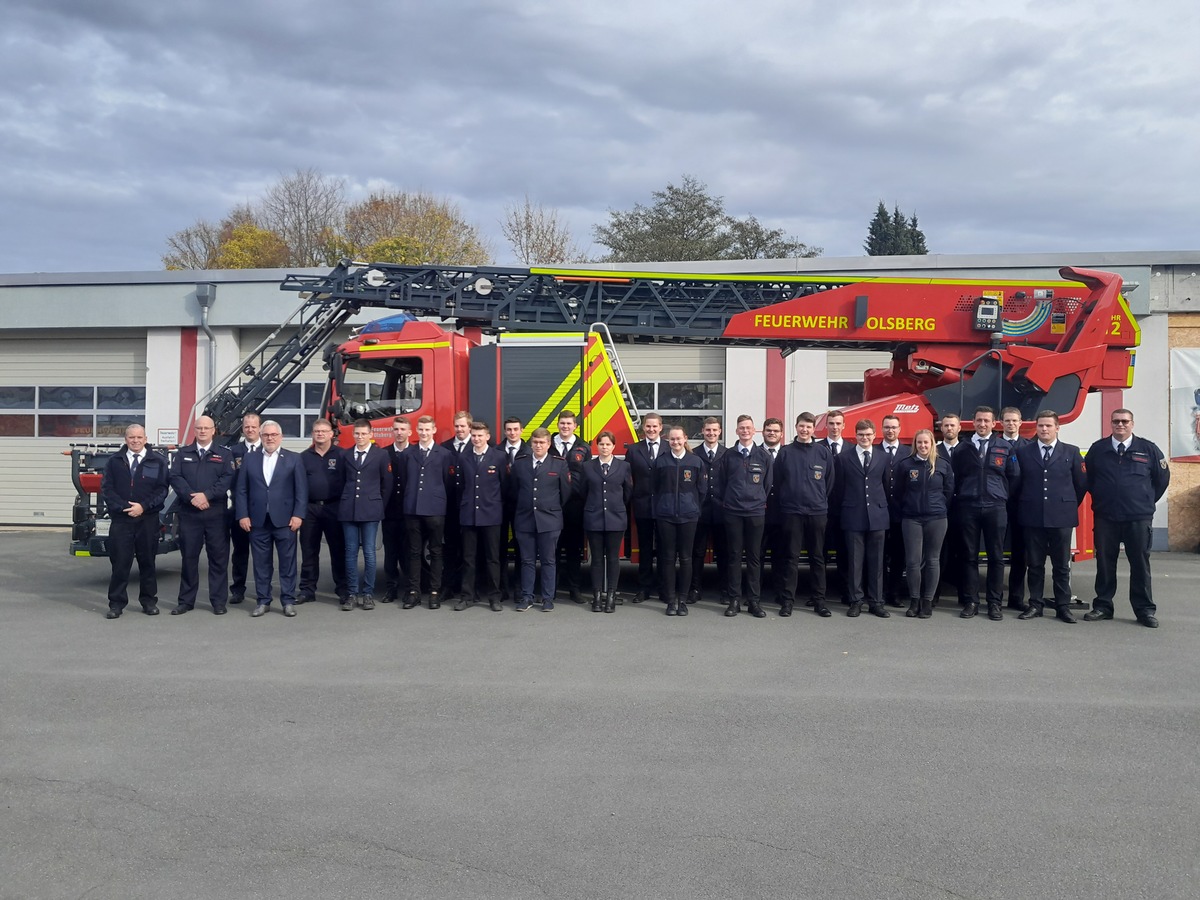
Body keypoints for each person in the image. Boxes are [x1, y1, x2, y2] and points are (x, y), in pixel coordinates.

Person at [1083, 408, 1170, 627]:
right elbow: (1090, 480)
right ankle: (1102, 606)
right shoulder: (1098, 449)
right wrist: (1105, 498)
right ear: (1111, 424)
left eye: (1124, 421)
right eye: (1116, 422)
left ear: (1132, 424)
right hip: (1106, 517)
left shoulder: (1148, 449)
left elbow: (1161, 480)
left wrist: (1145, 501)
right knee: (1104, 563)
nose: (1120, 425)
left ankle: (1144, 610)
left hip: (1138, 518)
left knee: (1140, 564)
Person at [1015, 411, 1087, 624]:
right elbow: (1018, 484)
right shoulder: (1024, 452)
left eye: (1048, 426)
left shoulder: (1071, 452)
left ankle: (1063, 607)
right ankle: (1035, 604)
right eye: (1040, 426)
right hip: (1033, 516)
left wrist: (1065, 503)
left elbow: (1081, 484)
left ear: (1057, 428)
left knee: (1061, 565)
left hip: (1062, 517)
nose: (1044, 429)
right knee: (1035, 564)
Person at [951, 406, 1020, 621]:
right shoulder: (963, 448)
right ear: (973, 422)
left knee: (996, 557)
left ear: (994, 423)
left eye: (986, 421)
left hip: (995, 507)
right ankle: (971, 601)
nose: (982, 424)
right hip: (969, 507)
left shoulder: (1005, 447)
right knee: (969, 556)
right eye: (979, 420)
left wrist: (1002, 496)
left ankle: (994, 603)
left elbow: (1014, 476)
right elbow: (956, 476)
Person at [234, 420, 308, 617]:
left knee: (287, 563)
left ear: (280, 437)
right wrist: (242, 514)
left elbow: (301, 491)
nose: (270, 438)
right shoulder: (250, 459)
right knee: (261, 563)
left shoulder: (293, 459)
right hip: (257, 520)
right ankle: (263, 601)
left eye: (274, 435)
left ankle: (287, 601)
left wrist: (298, 515)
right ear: (261, 436)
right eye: (266, 435)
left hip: (285, 521)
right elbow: (241, 490)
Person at [100, 424, 170, 619]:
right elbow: (107, 489)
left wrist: (143, 507)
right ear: (125, 439)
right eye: (132, 437)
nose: (136, 441)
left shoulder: (158, 461)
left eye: (139, 437)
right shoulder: (114, 461)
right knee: (120, 563)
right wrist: (124, 507)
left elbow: (162, 489)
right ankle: (116, 603)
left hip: (147, 519)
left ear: (146, 439)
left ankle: (148, 602)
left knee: (147, 562)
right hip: (121, 520)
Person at [772, 412, 836, 617]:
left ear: (813, 429)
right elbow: (778, 481)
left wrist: (816, 500)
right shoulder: (785, 452)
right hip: (792, 512)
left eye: (808, 427)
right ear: (796, 427)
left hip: (817, 512)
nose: (804, 430)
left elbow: (829, 482)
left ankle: (819, 601)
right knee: (791, 558)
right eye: (801, 426)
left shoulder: (823, 452)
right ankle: (787, 601)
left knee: (818, 558)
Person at [169, 415, 234, 615]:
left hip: (216, 514)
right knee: (189, 558)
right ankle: (186, 601)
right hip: (189, 514)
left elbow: (227, 479)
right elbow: (175, 477)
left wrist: (206, 495)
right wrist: (192, 498)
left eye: (207, 428)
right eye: (199, 428)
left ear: (214, 430)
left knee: (218, 559)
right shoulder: (182, 454)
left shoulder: (224, 454)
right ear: (194, 430)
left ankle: (218, 602)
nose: (203, 431)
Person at [716, 415, 773, 617]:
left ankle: (754, 601)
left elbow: (767, 485)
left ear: (754, 430)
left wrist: (757, 499)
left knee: (754, 558)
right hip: (733, 512)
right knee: (733, 557)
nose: (745, 431)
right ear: (737, 431)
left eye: (748, 427)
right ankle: (734, 600)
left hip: (756, 512)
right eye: (741, 428)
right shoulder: (728, 456)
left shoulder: (764, 456)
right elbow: (722, 484)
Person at [834, 419, 891, 618]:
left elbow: (885, 485)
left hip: (878, 515)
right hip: (852, 514)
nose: (864, 438)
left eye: (868, 434)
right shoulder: (843, 458)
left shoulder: (883, 457)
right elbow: (838, 488)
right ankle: (856, 601)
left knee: (876, 563)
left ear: (875, 435)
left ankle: (876, 602)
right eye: (861, 434)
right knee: (855, 562)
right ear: (855, 435)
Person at [510, 427, 572, 611]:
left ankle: (547, 598)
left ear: (549, 444)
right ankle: (527, 596)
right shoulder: (520, 463)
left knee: (548, 560)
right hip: (525, 519)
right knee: (527, 560)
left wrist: (551, 508)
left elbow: (566, 492)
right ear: (531, 443)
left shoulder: (559, 464)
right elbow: (514, 490)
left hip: (550, 519)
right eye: (535, 442)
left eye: (542, 442)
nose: (538, 446)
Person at [894, 429, 954, 619]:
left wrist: (938, 506)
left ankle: (927, 601)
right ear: (915, 444)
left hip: (936, 518)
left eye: (926, 443)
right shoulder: (905, 465)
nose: (923, 446)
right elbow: (898, 492)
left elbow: (949, 491)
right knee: (912, 561)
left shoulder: (943, 465)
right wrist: (909, 507)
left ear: (932, 444)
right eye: (919, 443)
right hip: (911, 518)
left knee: (933, 560)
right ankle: (914, 601)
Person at [338, 419, 393, 611]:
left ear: (371, 435)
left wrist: (378, 505)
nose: (360, 437)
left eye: (363, 434)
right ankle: (352, 593)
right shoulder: (345, 455)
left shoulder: (381, 455)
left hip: (371, 510)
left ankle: (368, 593)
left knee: (369, 552)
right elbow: (341, 482)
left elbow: (387, 484)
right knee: (351, 553)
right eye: (357, 434)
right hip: (349, 509)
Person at [401, 415, 455, 609]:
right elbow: (405, 479)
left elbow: (447, 482)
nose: (424, 433)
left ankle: (434, 592)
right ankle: (414, 592)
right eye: (421, 430)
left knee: (436, 551)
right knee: (414, 551)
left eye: (427, 429)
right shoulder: (409, 453)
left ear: (434, 430)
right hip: (413, 507)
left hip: (435, 509)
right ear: (416, 431)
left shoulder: (444, 454)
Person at [654, 424, 706, 617]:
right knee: (667, 559)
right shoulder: (661, 462)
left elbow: (702, 490)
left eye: (679, 438)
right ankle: (669, 600)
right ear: (668, 441)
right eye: (672, 439)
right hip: (666, 516)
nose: (675, 442)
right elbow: (655, 488)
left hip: (688, 517)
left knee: (685, 558)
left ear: (685, 439)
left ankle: (682, 600)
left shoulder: (695, 461)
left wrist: (693, 507)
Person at [456, 420, 507, 611]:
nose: (476, 439)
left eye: (480, 435)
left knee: (493, 558)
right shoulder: (464, 457)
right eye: (474, 435)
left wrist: (496, 507)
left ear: (488, 436)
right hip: (469, 514)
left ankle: (494, 597)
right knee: (469, 558)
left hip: (491, 514)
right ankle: (467, 596)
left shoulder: (499, 457)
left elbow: (504, 486)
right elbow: (460, 486)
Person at [579, 430, 632, 613]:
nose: (604, 447)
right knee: (596, 560)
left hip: (616, 518)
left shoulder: (623, 466)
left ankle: (611, 594)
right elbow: (583, 491)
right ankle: (596, 595)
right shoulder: (587, 466)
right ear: (597, 446)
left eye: (608, 444)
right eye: (601, 444)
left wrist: (616, 507)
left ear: (613, 446)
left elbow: (627, 492)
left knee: (613, 558)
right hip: (594, 517)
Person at [299, 418, 349, 606]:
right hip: (310, 509)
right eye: (316, 431)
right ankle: (307, 590)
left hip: (334, 508)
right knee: (309, 551)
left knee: (338, 550)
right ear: (312, 434)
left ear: (331, 434)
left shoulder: (342, 456)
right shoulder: (303, 457)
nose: (320, 434)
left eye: (323, 431)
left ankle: (343, 589)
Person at [548, 410, 590, 602]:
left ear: (575, 426)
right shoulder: (548, 445)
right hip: (552, 503)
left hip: (575, 505)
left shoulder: (584, 447)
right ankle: (552, 588)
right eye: (562, 423)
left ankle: (574, 589)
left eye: (569, 423)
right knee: (552, 548)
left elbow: (589, 476)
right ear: (558, 425)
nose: (565, 426)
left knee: (574, 549)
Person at [689, 416, 727, 604]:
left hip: (722, 511)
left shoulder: (727, 454)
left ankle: (725, 590)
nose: (711, 433)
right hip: (700, 511)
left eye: (715, 430)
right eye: (708, 430)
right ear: (702, 431)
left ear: (720, 432)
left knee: (724, 552)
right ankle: (695, 589)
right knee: (697, 553)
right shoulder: (694, 454)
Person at [625, 414, 663, 602]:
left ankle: (665, 587)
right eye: (648, 426)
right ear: (643, 429)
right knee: (645, 549)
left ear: (661, 428)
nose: (651, 430)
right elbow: (628, 478)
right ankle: (644, 587)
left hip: (665, 507)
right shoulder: (633, 450)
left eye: (654, 426)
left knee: (665, 549)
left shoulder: (669, 446)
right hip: (642, 505)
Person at [226, 413, 261, 605]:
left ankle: (262, 589)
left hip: (262, 510)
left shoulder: (268, 449)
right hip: (239, 510)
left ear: (259, 428)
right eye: (247, 427)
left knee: (262, 553)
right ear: (242, 429)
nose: (250, 430)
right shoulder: (233, 451)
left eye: (253, 427)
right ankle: (238, 590)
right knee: (240, 552)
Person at [999, 406, 1032, 611]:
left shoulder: (1029, 447)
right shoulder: (994, 444)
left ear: (1021, 423)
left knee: (1021, 555)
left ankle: (1016, 598)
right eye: (1007, 421)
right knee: (995, 552)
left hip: (1021, 506)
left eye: (1015, 420)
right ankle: (994, 598)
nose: (1011, 424)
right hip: (998, 505)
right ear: (1000, 423)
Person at [877, 414, 912, 608]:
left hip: (901, 512)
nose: (890, 430)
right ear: (882, 429)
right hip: (878, 511)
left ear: (899, 429)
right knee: (879, 556)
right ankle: (879, 593)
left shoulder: (908, 452)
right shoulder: (873, 450)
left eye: (894, 427)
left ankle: (895, 593)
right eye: (887, 427)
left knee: (899, 556)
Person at [439, 410, 473, 600]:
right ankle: (448, 587)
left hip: (470, 507)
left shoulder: (479, 446)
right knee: (450, 549)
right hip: (450, 507)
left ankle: (469, 587)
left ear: (470, 426)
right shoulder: (444, 448)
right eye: (457, 426)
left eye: (463, 426)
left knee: (469, 551)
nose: (459, 429)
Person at [820, 410, 851, 604]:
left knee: (844, 553)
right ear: (826, 425)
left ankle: (846, 592)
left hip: (844, 509)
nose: (834, 427)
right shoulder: (816, 448)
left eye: (838, 423)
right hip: (820, 509)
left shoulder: (852, 449)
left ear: (844, 425)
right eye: (831, 423)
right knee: (819, 553)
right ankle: (819, 595)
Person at [935, 412, 966, 601]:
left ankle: (964, 595)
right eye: (946, 425)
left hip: (963, 509)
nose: (949, 429)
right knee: (938, 554)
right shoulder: (934, 451)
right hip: (941, 510)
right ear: (941, 428)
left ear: (959, 428)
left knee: (964, 553)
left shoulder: (968, 450)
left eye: (952, 425)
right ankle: (934, 594)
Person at [497, 416, 528, 601]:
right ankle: (502, 588)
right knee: (499, 549)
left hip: (521, 507)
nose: (512, 433)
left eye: (516, 429)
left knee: (520, 549)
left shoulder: (529, 451)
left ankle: (519, 588)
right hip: (499, 506)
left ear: (522, 430)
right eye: (509, 429)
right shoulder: (495, 451)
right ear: (504, 431)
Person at [380, 416, 411, 602]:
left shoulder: (414, 453)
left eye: (402, 429)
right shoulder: (384, 454)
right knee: (390, 552)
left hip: (409, 511)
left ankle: (409, 589)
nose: (399, 433)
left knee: (409, 552)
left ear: (409, 432)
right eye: (396, 429)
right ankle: (391, 588)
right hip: (390, 511)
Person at [758, 417, 787, 603]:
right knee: (757, 555)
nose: (772, 433)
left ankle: (780, 592)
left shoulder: (788, 453)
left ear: (781, 434)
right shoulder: (754, 453)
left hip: (783, 513)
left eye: (776, 431)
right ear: (763, 431)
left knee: (781, 555)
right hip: (759, 512)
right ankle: (755, 593)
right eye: (769, 430)